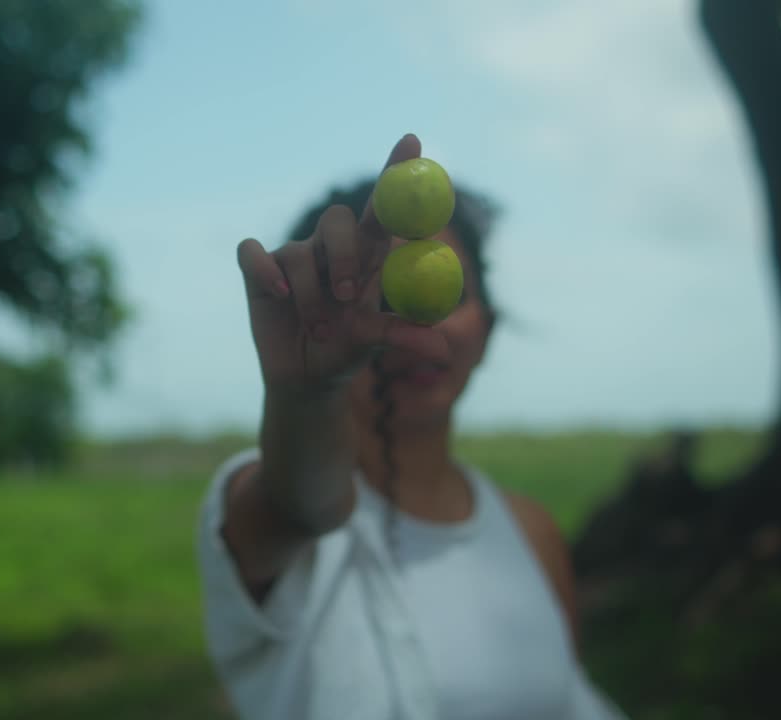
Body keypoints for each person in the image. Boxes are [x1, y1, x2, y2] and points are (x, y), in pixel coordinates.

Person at [196, 134, 626, 719]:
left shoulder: (532, 535)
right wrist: (305, 394)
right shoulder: (270, 509)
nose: (414, 327)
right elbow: (304, 505)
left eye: (455, 292)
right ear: (316, 317)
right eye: (369, 295)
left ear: (488, 329)